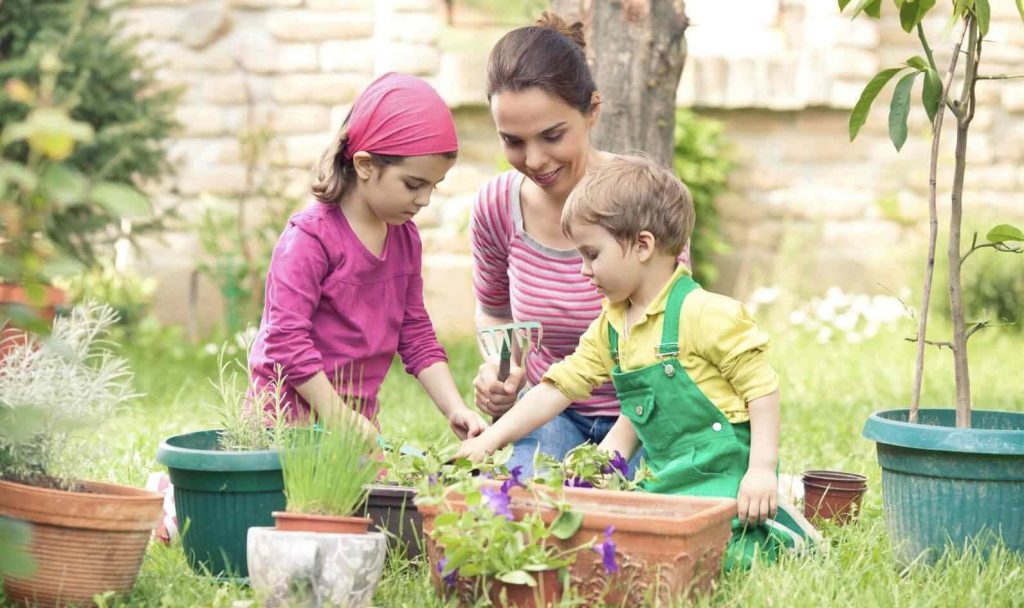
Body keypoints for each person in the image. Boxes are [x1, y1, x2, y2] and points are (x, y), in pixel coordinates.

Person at [458, 156, 815, 569]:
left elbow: (762, 388)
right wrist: (488, 441)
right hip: (666, 475)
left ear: (643, 246)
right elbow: (556, 389)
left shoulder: (704, 313)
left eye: (592, 255)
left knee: (718, 558)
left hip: (723, 473)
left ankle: (786, 527)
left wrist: (762, 471)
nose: (584, 271)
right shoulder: (611, 325)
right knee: (630, 548)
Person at [471, 12, 689, 474]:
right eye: (512, 141)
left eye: (552, 136)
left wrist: (609, 458)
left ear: (592, 111)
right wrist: (501, 371)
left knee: (641, 505)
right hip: (553, 409)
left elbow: (674, 339)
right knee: (524, 502)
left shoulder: (643, 199)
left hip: (647, 413)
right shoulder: (496, 206)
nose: (533, 160)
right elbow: (495, 310)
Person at [249, 72, 487, 441]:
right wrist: (337, 416)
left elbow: (415, 332)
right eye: (413, 184)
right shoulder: (309, 240)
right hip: (285, 424)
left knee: (377, 500)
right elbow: (285, 342)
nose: (424, 200)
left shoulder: (404, 238)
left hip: (354, 425)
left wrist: (455, 407)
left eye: (433, 187)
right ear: (364, 165)